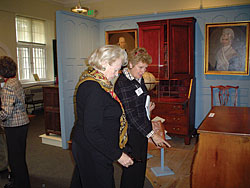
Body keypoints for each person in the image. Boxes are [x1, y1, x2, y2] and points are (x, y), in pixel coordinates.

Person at [70, 45, 134, 188]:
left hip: (90, 147)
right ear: (104, 63)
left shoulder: (95, 81)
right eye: (116, 69)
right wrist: (118, 155)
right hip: (92, 150)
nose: (117, 74)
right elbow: (92, 131)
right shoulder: (95, 89)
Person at [114, 47, 171, 188]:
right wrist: (153, 134)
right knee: (132, 169)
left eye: (145, 68)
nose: (143, 71)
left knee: (140, 167)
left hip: (141, 129)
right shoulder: (123, 83)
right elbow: (131, 115)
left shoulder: (138, 79)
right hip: (131, 132)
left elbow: (139, 102)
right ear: (131, 64)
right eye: (140, 67)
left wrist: (147, 109)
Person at [0, 56, 31, 188]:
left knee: (15, 160)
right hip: (23, 123)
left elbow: (6, 112)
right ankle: (23, 183)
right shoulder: (15, 82)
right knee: (19, 157)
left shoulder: (7, 86)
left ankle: (19, 184)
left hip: (14, 125)